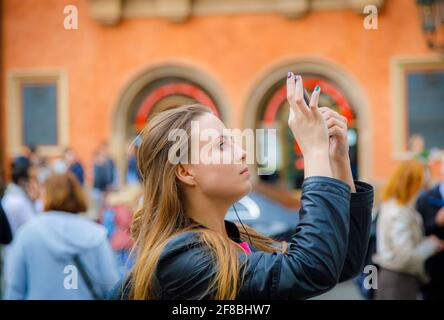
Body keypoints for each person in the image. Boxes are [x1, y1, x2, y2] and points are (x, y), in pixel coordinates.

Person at [108, 73, 373, 300]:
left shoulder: (238, 239)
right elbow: (312, 268)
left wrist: (338, 160)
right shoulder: (180, 259)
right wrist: (313, 151)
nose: (242, 152)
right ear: (185, 171)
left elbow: (342, 264)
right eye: (222, 145)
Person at [5, 172, 119, 299]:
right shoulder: (97, 235)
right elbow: (111, 286)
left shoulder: (27, 234)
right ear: (77, 195)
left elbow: (15, 290)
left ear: (45, 196)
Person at [373, 160, 444, 300]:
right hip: (398, 279)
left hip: (400, 277)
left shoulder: (399, 206)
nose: (423, 189)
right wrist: (431, 244)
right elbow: (406, 256)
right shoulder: (398, 211)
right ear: (411, 183)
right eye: (421, 184)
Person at [415, 156, 444, 299]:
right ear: (442, 169)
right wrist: (436, 222)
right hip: (432, 273)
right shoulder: (426, 198)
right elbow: (417, 233)